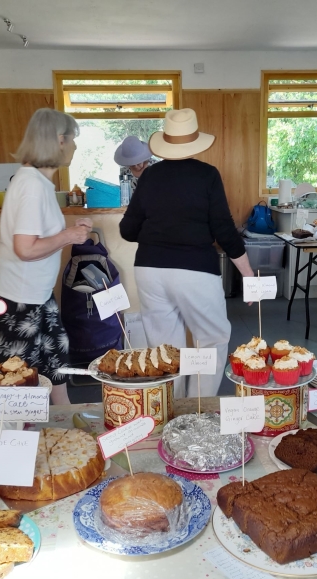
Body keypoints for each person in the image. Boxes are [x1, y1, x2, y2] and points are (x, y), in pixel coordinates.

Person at [120, 108, 253, 397]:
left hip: (149, 271)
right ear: (195, 143)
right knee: (212, 340)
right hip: (195, 271)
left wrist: (159, 231)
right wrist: (248, 277)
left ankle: (171, 412)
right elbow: (224, 230)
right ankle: (198, 411)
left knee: (165, 350)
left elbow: (127, 231)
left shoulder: (149, 176)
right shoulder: (207, 175)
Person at [0, 108, 93, 405]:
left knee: (55, 360)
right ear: (59, 140)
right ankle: (16, 441)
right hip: (16, 297)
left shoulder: (37, 182)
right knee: (17, 381)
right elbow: (25, 248)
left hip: (36, 294)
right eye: (72, 139)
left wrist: (70, 231)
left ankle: (65, 423)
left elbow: (37, 239)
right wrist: (69, 236)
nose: (74, 146)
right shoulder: (32, 185)